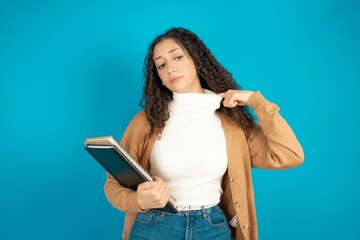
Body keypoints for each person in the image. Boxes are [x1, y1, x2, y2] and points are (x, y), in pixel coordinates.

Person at [104, 27, 304, 240]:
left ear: (197, 60)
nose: (170, 68)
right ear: (159, 78)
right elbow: (112, 186)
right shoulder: (146, 121)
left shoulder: (232, 122)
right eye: (161, 65)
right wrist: (140, 201)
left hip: (212, 227)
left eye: (177, 57)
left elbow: (289, 155)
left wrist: (257, 101)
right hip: (156, 226)